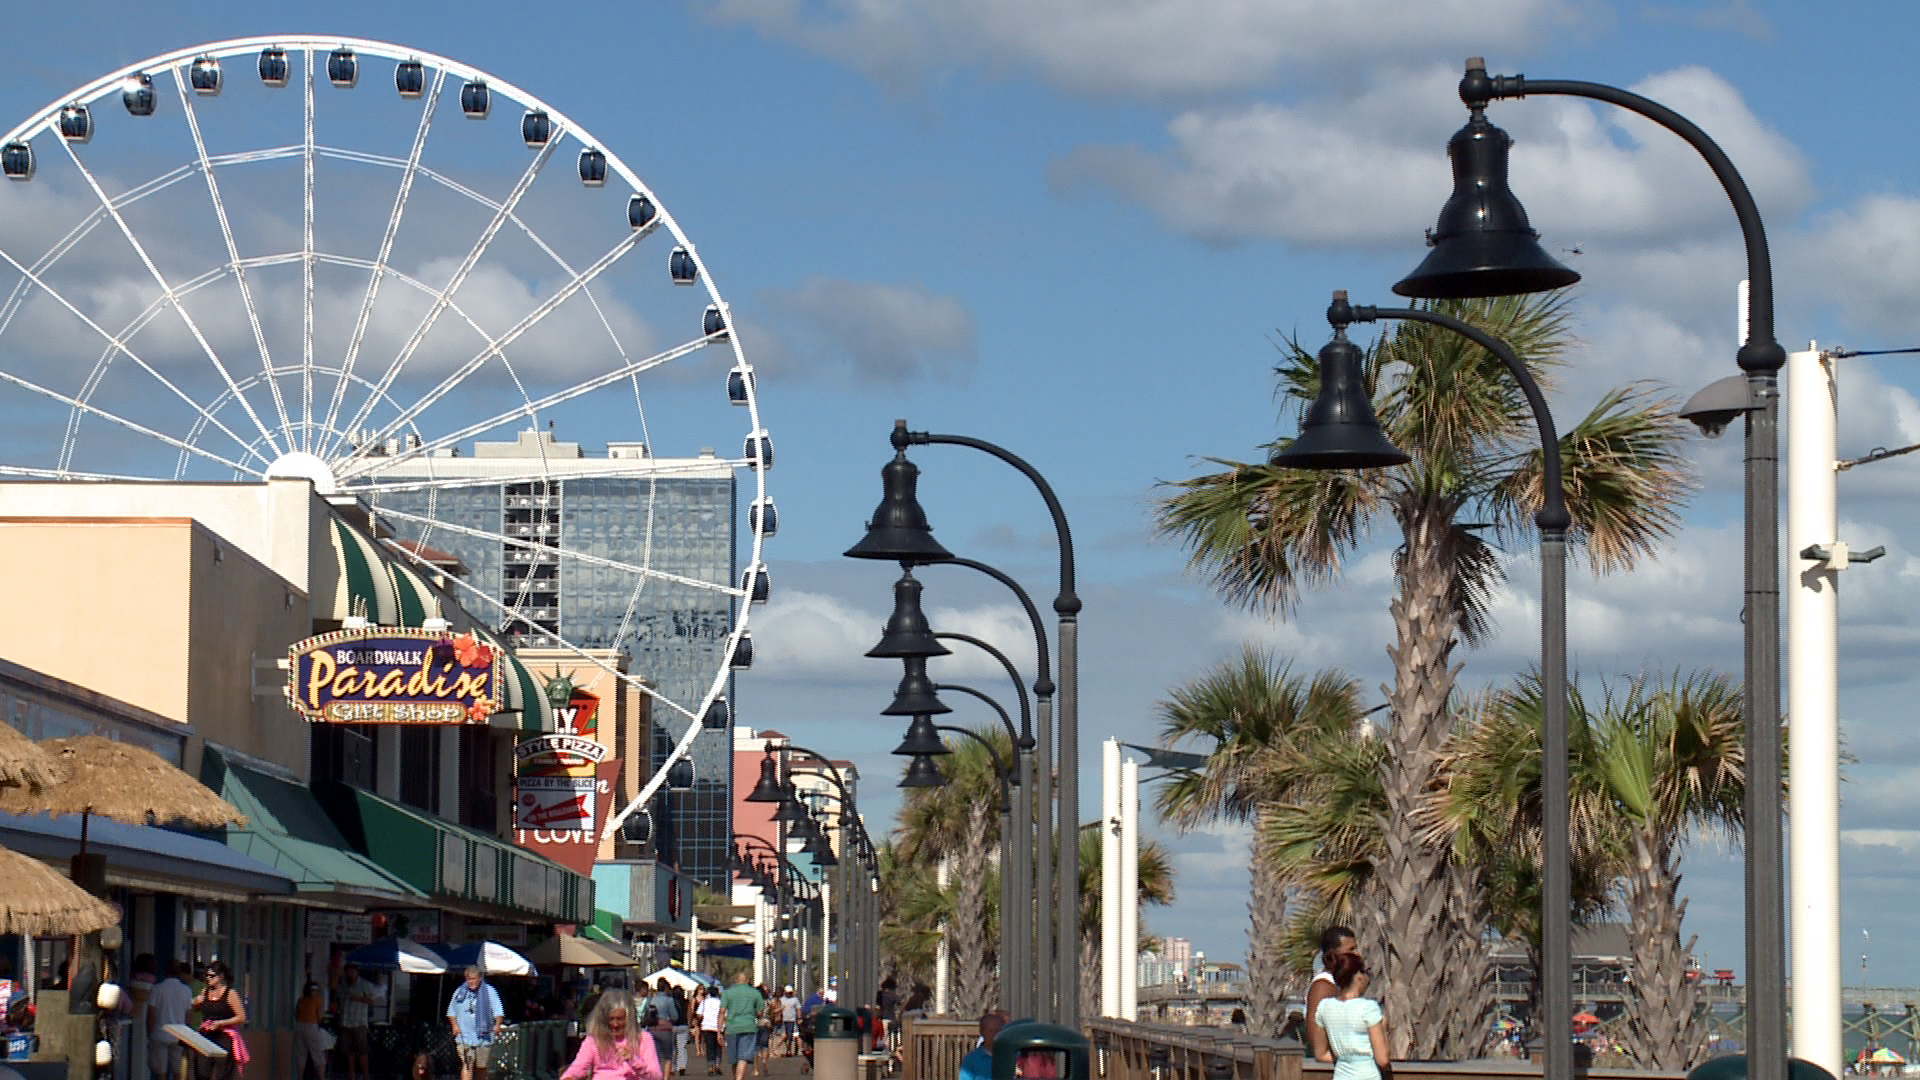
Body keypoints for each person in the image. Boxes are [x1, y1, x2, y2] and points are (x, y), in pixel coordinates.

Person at [1312, 953, 1389, 1080]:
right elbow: (1383, 1059)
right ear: (1358, 976)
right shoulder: (1369, 1008)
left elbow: (1321, 1054)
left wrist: (1346, 1058)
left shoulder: (1324, 1007)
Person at [561, 989, 663, 1080]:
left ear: (629, 1018)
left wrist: (635, 1062)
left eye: (620, 1019)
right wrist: (568, 1077)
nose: (615, 1024)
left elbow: (656, 1076)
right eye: (611, 1019)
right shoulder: (594, 1040)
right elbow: (578, 1067)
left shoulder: (643, 1038)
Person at [1306, 926, 1363, 1062]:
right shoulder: (1323, 986)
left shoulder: (1341, 984)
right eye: (1351, 950)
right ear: (1333, 954)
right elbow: (1315, 1036)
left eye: (1356, 948)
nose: (1357, 954)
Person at [447, 965, 507, 1080]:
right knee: (467, 1064)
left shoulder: (490, 991)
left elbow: (499, 1011)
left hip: (484, 1037)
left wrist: (497, 1025)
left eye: (473, 979)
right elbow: (451, 1011)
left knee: (481, 1067)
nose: (471, 982)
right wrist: (455, 1026)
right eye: (469, 979)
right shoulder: (460, 991)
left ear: (480, 978)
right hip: (464, 1036)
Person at [190, 961, 247, 1080]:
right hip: (206, 1035)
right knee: (201, 1072)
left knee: (223, 1074)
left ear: (221, 976)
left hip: (224, 1036)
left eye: (211, 976)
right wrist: (195, 1004)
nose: (208, 978)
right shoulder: (204, 992)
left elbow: (241, 1017)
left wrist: (221, 1023)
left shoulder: (230, 994)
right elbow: (196, 1009)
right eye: (206, 975)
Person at [149, 960, 193, 1080]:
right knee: (178, 1072)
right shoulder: (186, 991)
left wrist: (149, 1032)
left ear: (165, 971)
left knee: (161, 1072)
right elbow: (189, 1015)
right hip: (179, 1035)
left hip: (160, 1033)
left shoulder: (157, 989)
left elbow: (152, 1013)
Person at [719, 972, 765, 1080]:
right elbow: (760, 1012)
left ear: (735, 980)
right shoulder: (755, 993)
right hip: (748, 1026)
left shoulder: (727, 993)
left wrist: (719, 1030)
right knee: (743, 1057)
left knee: (734, 1058)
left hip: (732, 1028)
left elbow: (722, 1011)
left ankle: (737, 1077)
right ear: (748, 980)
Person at [337, 963, 378, 1080]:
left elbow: (372, 1000)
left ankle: (365, 1075)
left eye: (352, 971)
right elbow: (339, 999)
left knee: (362, 1051)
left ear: (357, 972)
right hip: (346, 1022)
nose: (350, 974)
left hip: (359, 1023)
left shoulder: (365, 985)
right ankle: (352, 1075)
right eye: (348, 972)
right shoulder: (344, 985)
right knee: (349, 1051)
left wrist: (359, 998)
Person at [958, 1010, 1008, 1080]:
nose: (994, 1034)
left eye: (997, 1030)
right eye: (990, 1031)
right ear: (982, 1032)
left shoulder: (1013, 1056)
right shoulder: (972, 1059)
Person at [294, 980, 328, 1080]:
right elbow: (320, 1015)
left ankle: (300, 1077)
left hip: (299, 1026)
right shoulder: (318, 999)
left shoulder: (301, 1000)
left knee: (301, 1054)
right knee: (317, 1053)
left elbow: (296, 1014)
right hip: (311, 1025)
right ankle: (322, 1077)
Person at [694, 986, 723, 1076]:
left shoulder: (704, 1002)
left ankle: (711, 1066)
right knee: (718, 1047)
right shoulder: (721, 1002)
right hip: (718, 1027)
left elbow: (699, 1014)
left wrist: (700, 1020)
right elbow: (725, 1014)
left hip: (707, 1026)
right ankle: (717, 1066)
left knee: (710, 1047)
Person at [776, 987, 800, 1057]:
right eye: (788, 992)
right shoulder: (781, 999)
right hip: (783, 1020)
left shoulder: (795, 999)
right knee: (784, 1036)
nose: (789, 994)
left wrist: (799, 1018)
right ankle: (782, 1048)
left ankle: (789, 1050)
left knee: (790, 1035)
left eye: (790, 992)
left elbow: (798, 1008)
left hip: (791, 1020)